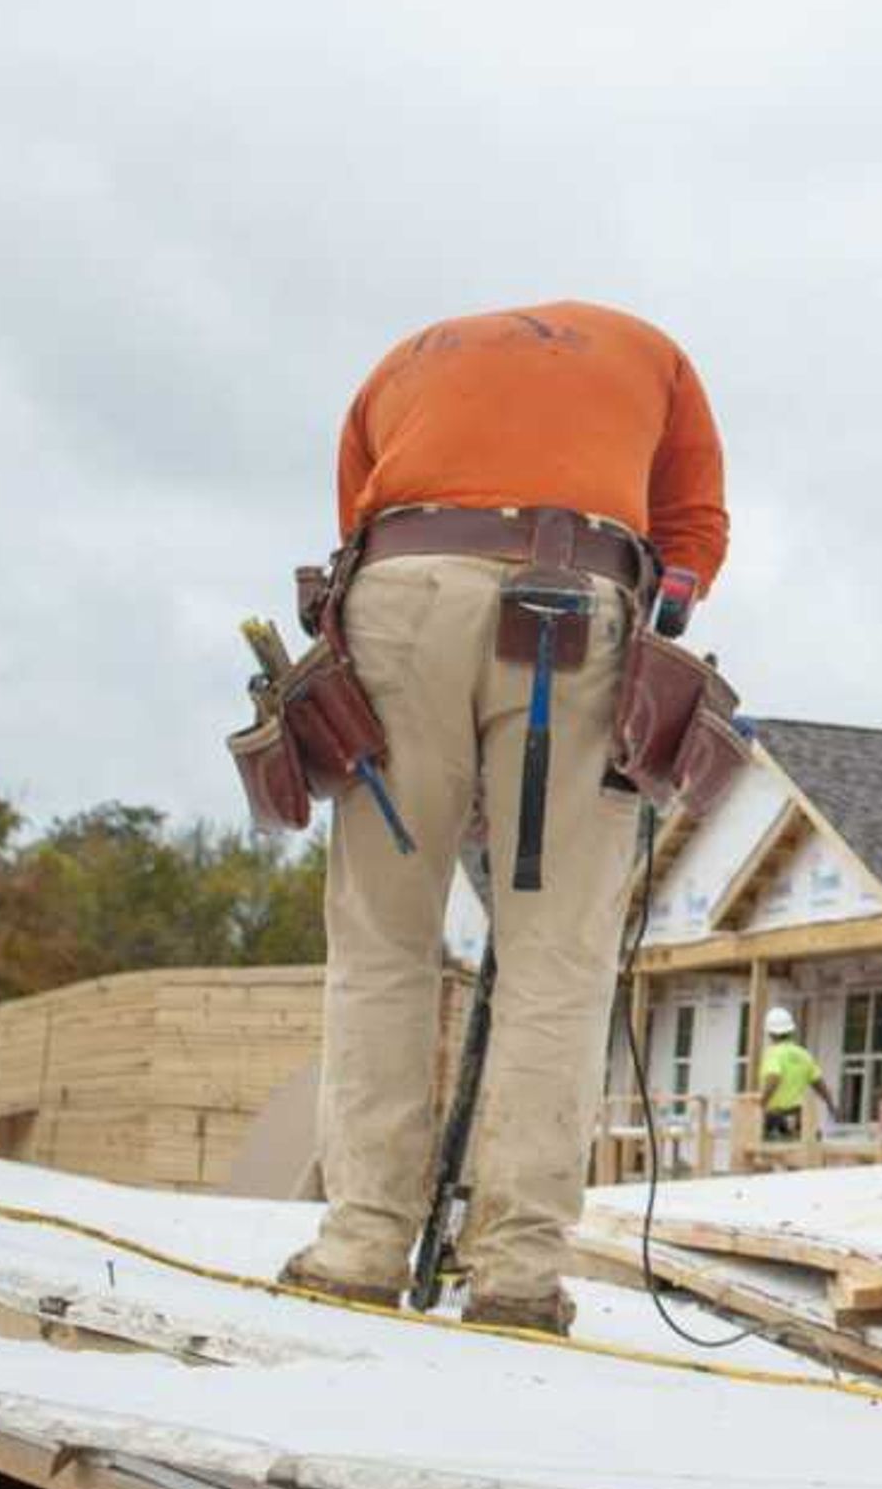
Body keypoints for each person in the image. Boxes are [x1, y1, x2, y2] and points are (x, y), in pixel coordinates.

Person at [276, 301, 728, 1333]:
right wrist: (648, 636)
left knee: (385, 942)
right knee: (557, 953)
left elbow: (358, 532)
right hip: (574, 601)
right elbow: (692, 541)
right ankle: (517, 1275)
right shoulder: (655, 350)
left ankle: (359, 1246)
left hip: (402, 592)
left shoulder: (402, 357)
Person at [754, 1003, 839, 1145]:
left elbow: (774, 1078)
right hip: (799, 1116)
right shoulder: (803, 1054)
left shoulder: (773, 1054)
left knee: (768, 1156)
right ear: (791, 1030)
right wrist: (830, 1104)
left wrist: (760, 1104)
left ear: (770, 1033)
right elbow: (819, 1083)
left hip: (777, 1118)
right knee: (802, 1156)